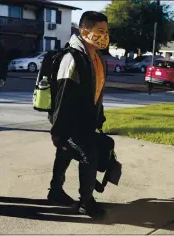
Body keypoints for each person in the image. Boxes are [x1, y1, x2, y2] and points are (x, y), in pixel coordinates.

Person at [47, 11, 109, 217]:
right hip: (69, 122)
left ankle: (55, 192)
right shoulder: (72, 58)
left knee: (65, 154)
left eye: (106, 31)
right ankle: (86, 200)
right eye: (100, 31)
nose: (105, 36)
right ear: (84, 31)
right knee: (90, 156)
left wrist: (99, 116)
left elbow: (96, 92)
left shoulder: (97, 59)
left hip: (85, 122)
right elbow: (62, 98)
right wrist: (59, 133)